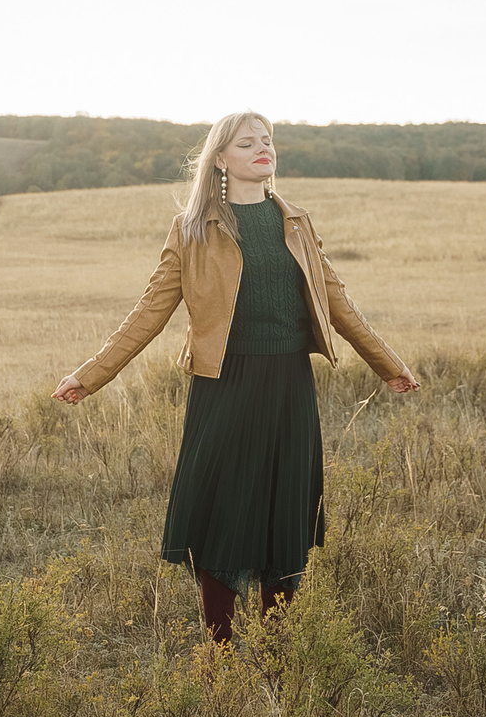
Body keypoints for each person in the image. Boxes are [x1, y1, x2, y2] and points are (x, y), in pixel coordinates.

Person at [52, 112, 420, 642]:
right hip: (223, 386)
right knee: (223, 512)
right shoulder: (192, 229)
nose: (262, 149)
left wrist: (388, 364)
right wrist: (90, 375)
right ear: (220, 159)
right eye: (247, 143)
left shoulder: (295, 223)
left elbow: (335, 297)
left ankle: (275, 647)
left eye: (267, 141)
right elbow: (149, 311)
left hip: (289, 385)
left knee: (283, 512)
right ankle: (219, 654)